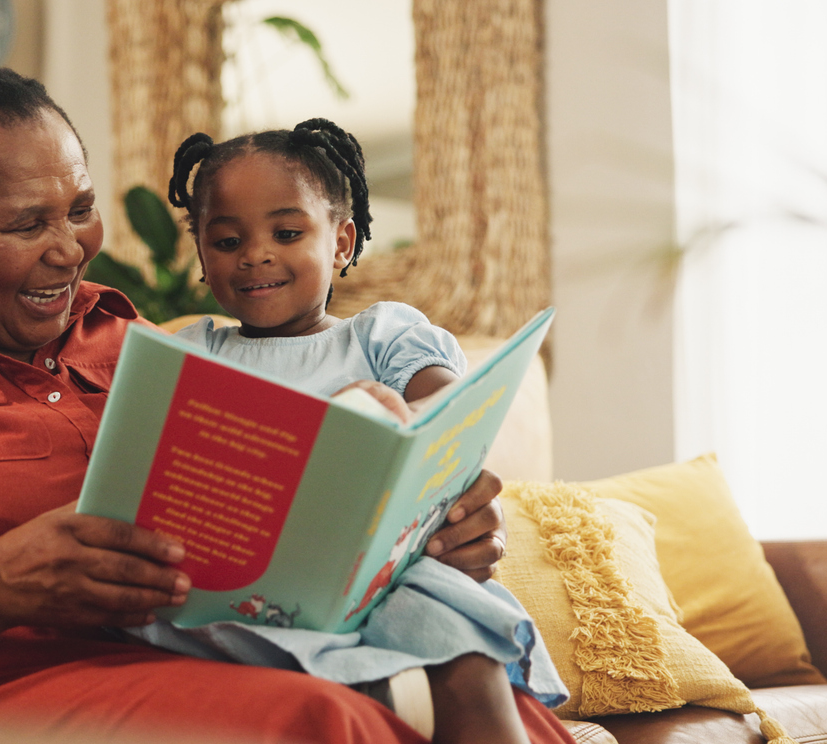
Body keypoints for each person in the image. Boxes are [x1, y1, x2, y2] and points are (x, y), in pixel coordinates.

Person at [0, 64, 576, 744]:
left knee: (494, 696)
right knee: (318, 719)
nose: (70, 249)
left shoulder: (132, 342)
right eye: (24, 223)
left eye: (78, 208)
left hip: (201, 647)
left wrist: (428, 523)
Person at [153, 119, 566, 744]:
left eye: (287, 233)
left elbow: (446, 421)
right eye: (227, 239)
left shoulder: (379, 336)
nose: (255, 254)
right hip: (244, 588)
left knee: (465, 662)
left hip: (386, 579)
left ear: (342, 242)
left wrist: (386, 413)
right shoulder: (193, 352)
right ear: (203, 256)